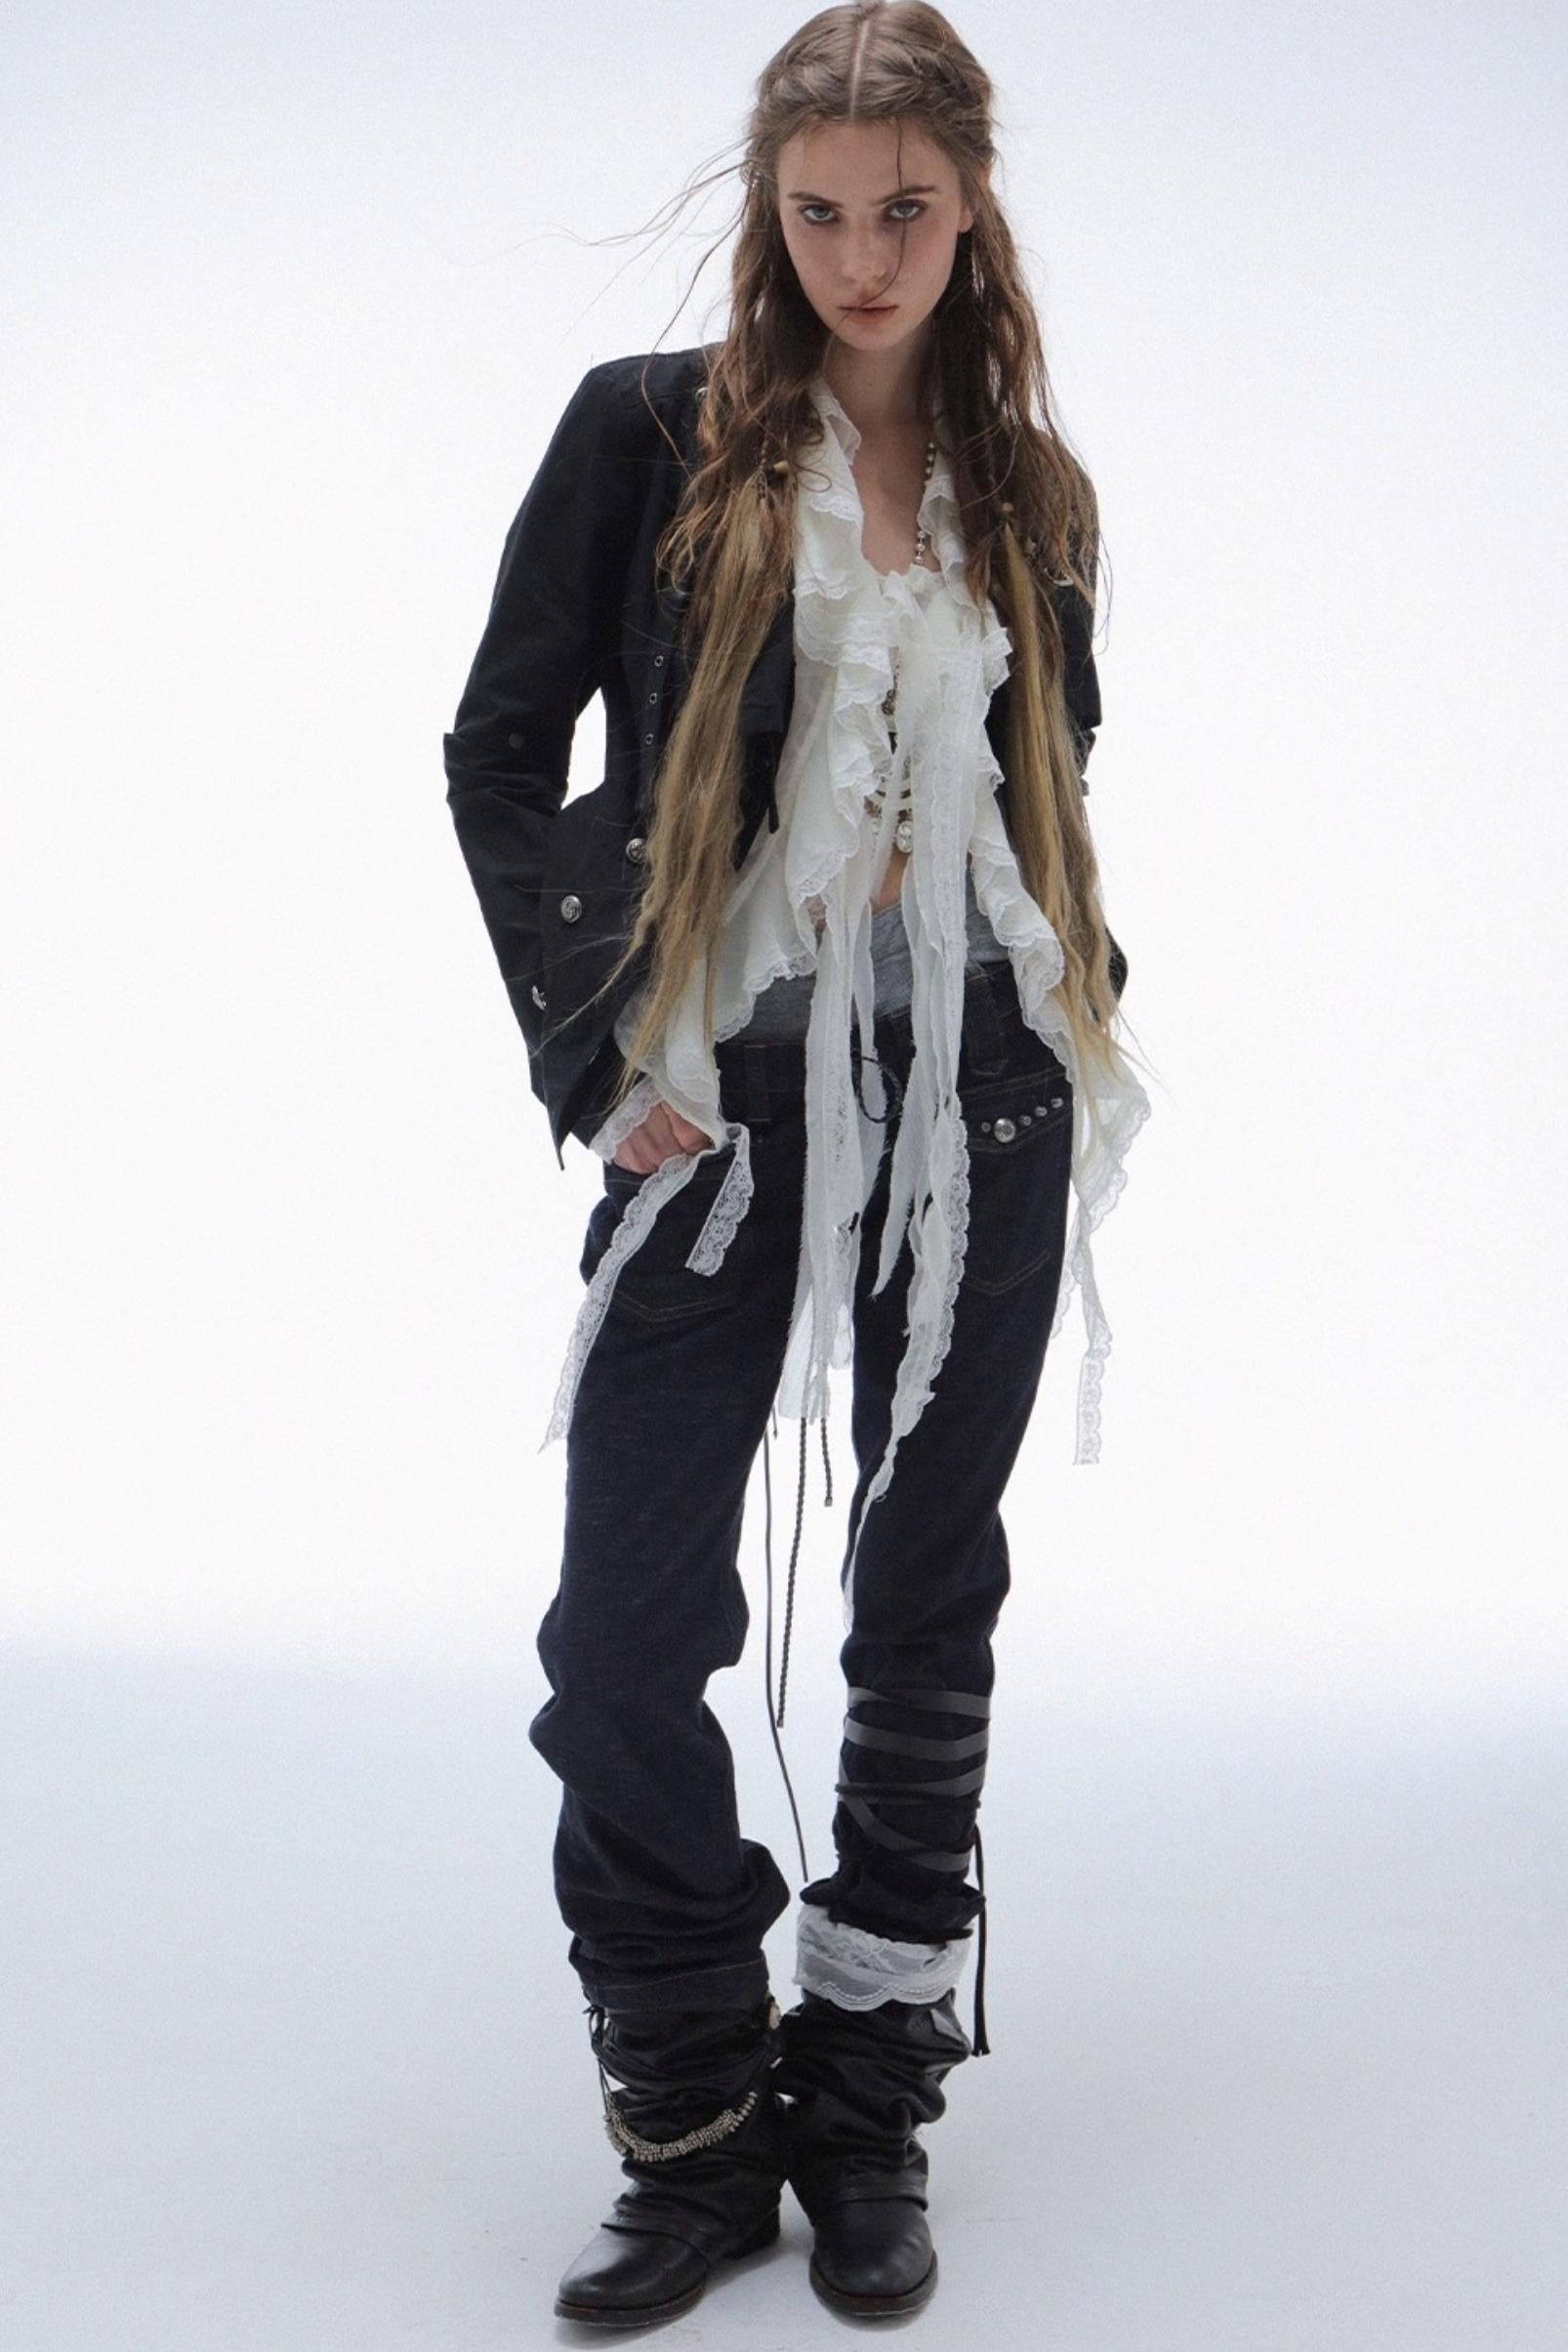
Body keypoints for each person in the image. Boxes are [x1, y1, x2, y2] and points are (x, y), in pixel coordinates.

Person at [441, 3, 1151, 2326]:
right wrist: (593, 1048)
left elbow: (1046, 776)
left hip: (980, 1096)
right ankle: (689, 2118)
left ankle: (862, 2110)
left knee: (922, 1601)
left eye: (904, 210)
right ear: (771, 207)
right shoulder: (647, 434)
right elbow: (495, 746)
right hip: (720, 1108)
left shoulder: (1028, 486)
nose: (860, 255)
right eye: (820, 209)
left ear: (970, 209)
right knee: (619, 1640)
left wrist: (1073, 989)